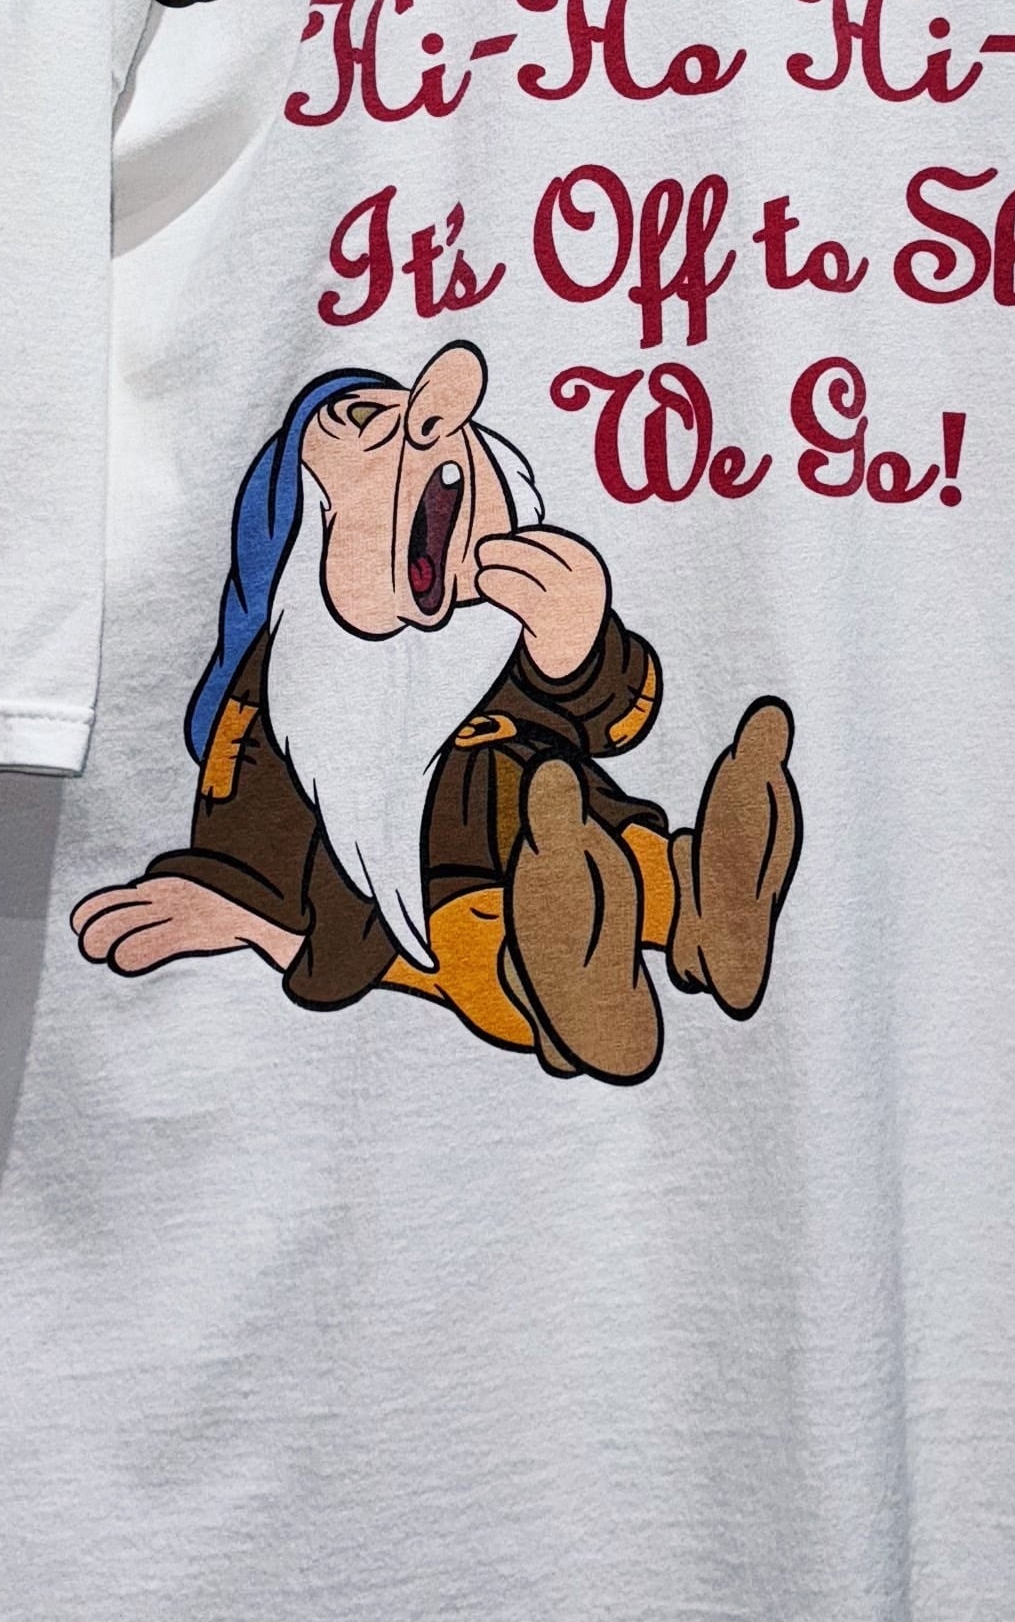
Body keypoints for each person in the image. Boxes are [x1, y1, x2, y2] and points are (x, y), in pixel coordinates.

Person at [68, 344, 802, 1084]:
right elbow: (246, 809)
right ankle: (579, 1000)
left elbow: (611, 720)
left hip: (570, 818)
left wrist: (577, 648)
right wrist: (225, 897)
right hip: (436, 887)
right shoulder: (285, 697)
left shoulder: (505, 623)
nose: (422, 429)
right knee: (484, 938)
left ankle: (708, 906)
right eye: (360, 425)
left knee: (624, 850)